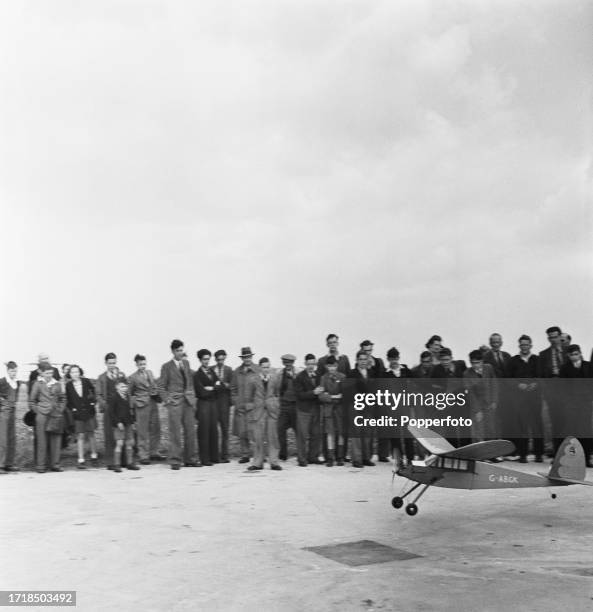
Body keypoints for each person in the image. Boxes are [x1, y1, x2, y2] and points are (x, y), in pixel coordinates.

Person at [158, 339, 199, 470]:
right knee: (175, 432)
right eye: (178, 351)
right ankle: (175, 460)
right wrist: (167, 400)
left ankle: (190, 459)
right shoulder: (166, 367)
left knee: (190, 430)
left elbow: (190, 382)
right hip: (175, 403)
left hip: (188, 402)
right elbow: (161, 387)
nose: (180, 353)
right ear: (172, 351)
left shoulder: (186, 363)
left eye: (182, 350)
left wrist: (192, 396)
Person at [509, 335, 543, 463]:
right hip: (520, 399)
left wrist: (536, 384)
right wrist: (518, 384)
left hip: (535, 397)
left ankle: (538, 454)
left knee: (537, 426)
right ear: (519, 346)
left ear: (531, 345)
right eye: (522, 345)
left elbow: (542, 376)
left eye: (526, 344)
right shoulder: (513, 361)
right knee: (522, 426)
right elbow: (508, 379)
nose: (524, 347)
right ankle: (522, 454)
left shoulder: (537, 359)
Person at [245, 358, 282, 471]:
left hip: (271, 410)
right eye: (264, 367)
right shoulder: (253, 379)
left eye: (268, 367)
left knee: (273, 436)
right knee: (258, 437)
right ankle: (257, 462)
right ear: (260, 367)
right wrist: (251, 411)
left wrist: (275, 404)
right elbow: (249, 396)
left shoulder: (275, 378)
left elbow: (277, 393)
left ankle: (274, 462)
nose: (266, 369)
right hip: (258, 411)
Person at [559, 344, 593, 467]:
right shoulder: (564, 368)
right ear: (568, 355)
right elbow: (562, 387)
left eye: (576, 353)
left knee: (586, 431)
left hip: (585, 404)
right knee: (572, 432)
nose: (574, 356)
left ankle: (587, 458)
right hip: (571, 405)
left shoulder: (588, 366)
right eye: (572, 354)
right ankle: (572, 459)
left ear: (580, 353)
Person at [29, 363, 66, 473]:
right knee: (42, 441)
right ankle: (41, 466)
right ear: (42, 373)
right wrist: (38, 411)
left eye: (51, 373)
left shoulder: (57, 384)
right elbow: (32, 401)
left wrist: (59, 410)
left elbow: (63, 399)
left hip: (55, 415)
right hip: (42, 416)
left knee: (55, 440)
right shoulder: (38, 384)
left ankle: (55, 465)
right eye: (47, 373)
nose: (49, 375)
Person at [127, 354, 163, 464]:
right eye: (140, 364)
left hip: (152, 403)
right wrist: (132, 406)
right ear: (136, 364)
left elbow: (154, 386)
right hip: (141, 405)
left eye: (144, 364)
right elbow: (129, 393)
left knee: (156, 428)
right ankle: (143, 455)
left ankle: (154, 452)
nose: (143, 366)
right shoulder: (133, 377)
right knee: (142, 431)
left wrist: (156, 393)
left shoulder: (150, 373)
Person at [380, 347, 413, 465]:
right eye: (391, 359)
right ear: (388, 359)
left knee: (408, 433)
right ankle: (399, 459)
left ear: (398, 358)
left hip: (405, 406)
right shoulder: (385, 374)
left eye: (396, 358)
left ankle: (410, 459)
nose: (394, 361)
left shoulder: (406, 371)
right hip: (392, 408)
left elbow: (414, 386)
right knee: (395, 435)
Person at [95, 353, 127, 469]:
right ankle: (111, 462)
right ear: (106, 363)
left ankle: (123, 461)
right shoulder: (101, 378)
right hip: (109, 410)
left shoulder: (121, 375)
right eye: (110, 363)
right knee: (109, 436)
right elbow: (98, 395)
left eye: (114, 363)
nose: (112, 365)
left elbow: (125, 390)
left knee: (121, 434)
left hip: (121, 410)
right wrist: (105, 405)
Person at [538, 326, 565, 454]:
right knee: (555, 423)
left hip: (568, 393)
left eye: (555, 337)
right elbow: (541, 377)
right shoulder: (543, 355)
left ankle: (571, 452)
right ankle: (557, 452)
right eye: (550, 337)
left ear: (560, 336)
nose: (553, 340)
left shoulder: (568, 351)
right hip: (552, 394)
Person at [431, 347, 467, 445]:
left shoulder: (461, 365)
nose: (445, 362)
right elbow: (433, 386)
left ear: (452, 358)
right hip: (447, 403)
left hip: (462, 401)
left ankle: (466, 448)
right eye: (442, 360)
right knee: (450, 427)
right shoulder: (436, 370)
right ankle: (452, 449)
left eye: (447, 360)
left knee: (464, 425)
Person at [463, 350, 498, 449]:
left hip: (490, 404)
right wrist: (477, 410)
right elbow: (470, 394)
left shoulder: (489, 368)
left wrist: (495, 401)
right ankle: (480, 454)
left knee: (491, 429)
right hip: (476, 406)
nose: (475, 365)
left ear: (482, 361)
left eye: (477, 363)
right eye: (473, 363)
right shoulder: (467, 373)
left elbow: (494, 384)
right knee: (478, 431)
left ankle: (492, 454)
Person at [65, 364, 98, 469]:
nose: (75, 374)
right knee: (80, 435)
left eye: (76, 371)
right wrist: (72, 409)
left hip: (89, 412)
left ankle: (94, 456)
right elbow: (68, 400)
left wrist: (92, 403)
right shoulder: (68, 385)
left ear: (80, 372)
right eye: (72, 372)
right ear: (70, 374)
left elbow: (94, 392)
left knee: (91, 433)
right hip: (78, 414)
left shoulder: (86, 381)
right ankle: (81, 459)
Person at [231, 347, 259, 464]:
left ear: (251, 357)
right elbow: (233, 389)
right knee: (242, 432)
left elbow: (261, 389)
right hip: (241, 408)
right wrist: (236, 402)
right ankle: (245, 454)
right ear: (242, 358)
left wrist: (255, 403)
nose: (247, 359)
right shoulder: (237, 372)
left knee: (256, 432)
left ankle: (259, 454)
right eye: (245, 357)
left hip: (254, 407)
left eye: (249, 357)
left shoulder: (257, 370)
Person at [294, 354, 323, 467]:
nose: (311, 366)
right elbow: (299, 395)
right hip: (303, 410)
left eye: (313, 364)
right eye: (309, 364)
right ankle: (301, 459)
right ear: (305, 364)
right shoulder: (300, 377)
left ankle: (313, 457)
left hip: (316, 409)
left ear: (315, 364)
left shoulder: (319, 376)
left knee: (316, 434)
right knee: (302, 435)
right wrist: (313, 393)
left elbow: (321, 390)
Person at [347, 351, 375, 468]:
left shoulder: (371, 373)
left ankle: (366, 458)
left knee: (367, 432)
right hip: (355, 406)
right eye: (361, 359)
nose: (363, 361)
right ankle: (357, 459)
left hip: (369, 407)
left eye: (365, 359)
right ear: (357, 360)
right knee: (356, 433)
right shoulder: (352, 373)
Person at [193, 349, 220, 466]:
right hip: (203, 404)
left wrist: (211, 388)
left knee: (213, 429)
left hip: (213, 404)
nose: (207, 361)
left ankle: (214, 457)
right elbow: (201, 392)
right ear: (200, 360)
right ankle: (204, 458)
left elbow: (220, 386)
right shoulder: (197, 375)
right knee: (204, 430)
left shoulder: (212, 372)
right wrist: (213, 388)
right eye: (204, 359)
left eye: (208, 359)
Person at [319, 355, 346, 466]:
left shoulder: (343, 377)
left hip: (340, 410)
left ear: (337, 365)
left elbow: (345, 394)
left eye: (334, 366)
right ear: (326, 366)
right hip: (328, 410)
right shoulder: (323, 378)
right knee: (330, 434)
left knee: (340, 433)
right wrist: (335, 397)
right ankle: (330, 458)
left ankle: (339, 457)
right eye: (330, 366)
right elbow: (320, 395)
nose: (332, 369)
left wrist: (329, 395)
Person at [109, 379, 139, 473]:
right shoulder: (114, 398)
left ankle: (129, 463)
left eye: (125, 386)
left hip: (128, 423)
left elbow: (131, 411)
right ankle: (116, 464)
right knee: (120, 443)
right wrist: (118, 422)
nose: (124, 388)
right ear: (117, 387)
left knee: (129, 443)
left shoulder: (128, 397)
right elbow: (111, 412)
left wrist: (133, 422)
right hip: (119, 425)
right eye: (122, 386)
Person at [0, 361, 22, 472]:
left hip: (13, 411)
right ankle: (1, 464)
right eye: (12, 371)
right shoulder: (2, 381)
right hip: (3, 412)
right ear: (7, 371)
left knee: (11, 438)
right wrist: (3, 403)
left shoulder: (16, 383)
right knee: (2, 439)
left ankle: (9, 463)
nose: (14, 373)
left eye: (15, 371)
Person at [212, 350, 232, 463]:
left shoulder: (229, 370)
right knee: (214, 429)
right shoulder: (211, 369)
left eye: (222, 359)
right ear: (215, 359)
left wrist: (224, 384)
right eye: (218, 359)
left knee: (225, 429)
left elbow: (232, 385)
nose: (220, 362)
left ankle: (225, 455)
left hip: (224, 403)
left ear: (225, 358)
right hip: (213, 402)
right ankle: (215, 455)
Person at [277, 354, 298, 461]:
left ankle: (301, 453)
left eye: (290, 363)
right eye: (286, 363)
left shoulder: (298, 373)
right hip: (284, 405)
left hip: (295, 405)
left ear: (293, 363)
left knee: (298, 430)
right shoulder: (280, 374)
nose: (288, 365)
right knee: (280, 429)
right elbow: (277, 389)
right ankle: (283, 454)